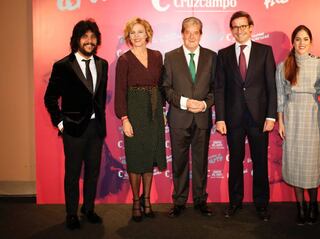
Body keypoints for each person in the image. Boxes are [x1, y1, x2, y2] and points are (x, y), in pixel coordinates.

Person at [44, 19, 108, 230]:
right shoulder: (62, 66)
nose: (89, 41)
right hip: (73, 129)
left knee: (93, 172)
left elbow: (97, 98)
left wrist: (100, 123)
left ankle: (88, 209)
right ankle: (71, 213)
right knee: (72, 173)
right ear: (76, 40)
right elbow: (50, 98)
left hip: (96, 129)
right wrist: (61, 124)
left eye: (92, 37)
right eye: (85, 37)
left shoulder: (102, 64)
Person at [215, 11, 277, 221]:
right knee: (235, 162)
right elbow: (220, 89)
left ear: (251, 27)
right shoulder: (223, 55)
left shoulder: (265, 51)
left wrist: (271, 116)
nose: (239, 30)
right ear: (231, 30)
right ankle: (235, 202)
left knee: (260, 162)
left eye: (243, 26)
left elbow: (271, 86)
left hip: (259, 117)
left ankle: (262, 204)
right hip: (233, 118)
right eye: (235, 27)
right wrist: (220, 118)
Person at [276, 25, 320, 225]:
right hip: (292, 117)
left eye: (305, 39)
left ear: (311, 42)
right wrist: (281, 123)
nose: (301, 43)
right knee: (295, 163)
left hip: (312, 116)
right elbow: (280, 98)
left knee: (311, 163)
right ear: (293, 42)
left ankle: (313, 204)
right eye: (298, 39)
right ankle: (301, 207)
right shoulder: (283, 66)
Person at [162, 17, 216, 218]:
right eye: (188, 32)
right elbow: (166, 88)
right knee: (179, 162)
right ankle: (179, 201)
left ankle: (201, 200)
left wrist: (204, 104)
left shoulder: (212, 57)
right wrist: (185, 102)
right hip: (179, 118)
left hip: (202, 118)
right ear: (182, 33)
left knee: (201, 162)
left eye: (196, 32)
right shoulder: (170, 57)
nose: (192, 36)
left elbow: (215, 88)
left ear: (201, 34)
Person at [114, 17, 166, 222]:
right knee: (136, 158)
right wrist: (125, 119)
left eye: (140, 31)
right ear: (128, 37)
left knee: (150, 158)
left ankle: (147, 200)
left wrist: (162, 109)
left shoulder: (157, 56)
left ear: (147, 34)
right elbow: (120, 92)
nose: (136, 36)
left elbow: (161, 86)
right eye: (132, 33)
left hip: (153, 113)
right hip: (134, 113)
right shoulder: (124, 60)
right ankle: (136, 201)